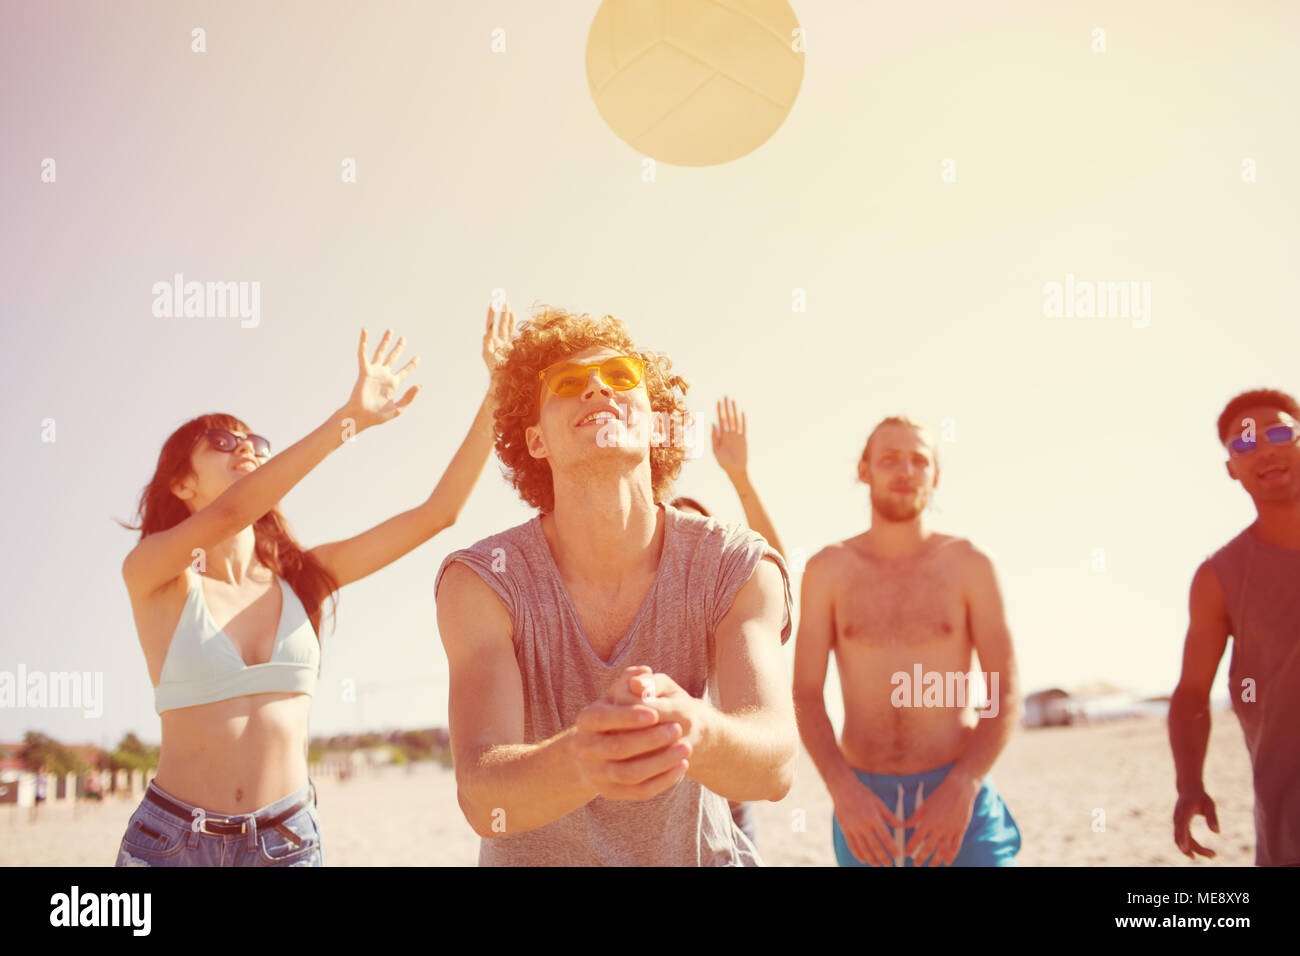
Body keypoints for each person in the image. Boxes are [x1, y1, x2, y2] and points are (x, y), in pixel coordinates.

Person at [114, 307, 515, 866]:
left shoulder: (304, 579)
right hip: (173, 841)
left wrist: (498, 390)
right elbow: (231, 514)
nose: (246, 447)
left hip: (286, 842)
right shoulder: (152, 575)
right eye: (221, 442)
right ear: (181, 481)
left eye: (252, 439)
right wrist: (347, 420)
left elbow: (438, 513)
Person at [434, 305, 797, 866]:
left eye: (621, 376)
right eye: (569, 383)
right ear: (535, 441)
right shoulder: (483, 581)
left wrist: (693, 729)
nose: (598, 386)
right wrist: (585, 756)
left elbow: (774, 767)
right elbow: (482, 797)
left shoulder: (734, 563)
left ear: (654, 421)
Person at [793, 416, 1021, 866]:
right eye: (890, 458)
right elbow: (805, 694)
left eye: (919, 460)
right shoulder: (828, 570)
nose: (905, 471)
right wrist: (842, 790)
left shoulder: (970, 565)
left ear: (935, 476)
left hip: (960, 797)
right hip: (863, 806)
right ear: (864, 470)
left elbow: (1003, 692)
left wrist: (965, 785)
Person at [1170, 388, 1300, 867]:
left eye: (1280, 432)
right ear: (1231, 467)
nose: (1264, 448)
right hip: (1290, 813)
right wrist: (1189, 785)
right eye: (1243, 444)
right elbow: (1190, 693)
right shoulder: (1220, 577)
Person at [669, 395, 789, 850]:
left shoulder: (736, 612)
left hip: (732, 804)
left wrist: (739, 476)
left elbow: (775, 571)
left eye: (703, 534)